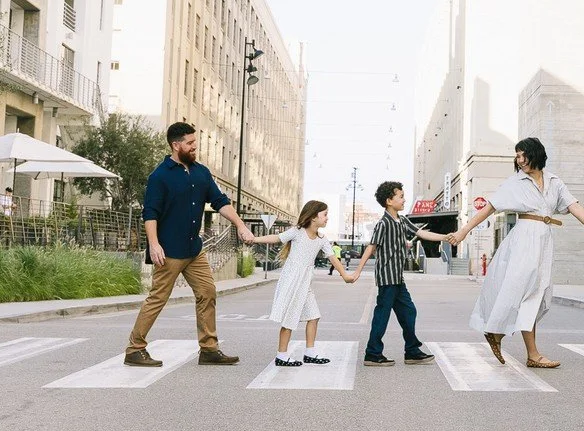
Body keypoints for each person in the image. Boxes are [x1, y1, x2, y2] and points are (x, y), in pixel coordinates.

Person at [448, 137, 584, 369]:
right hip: (524, 239)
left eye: (523, 155)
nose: (520, 160)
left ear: (536, 154)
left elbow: (574, 206)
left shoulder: (554, 182)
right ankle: (514, 342)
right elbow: (490, 207)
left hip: (544, 240)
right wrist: (463, 231)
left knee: (537, 294)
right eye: (517, 156)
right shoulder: (516, 182)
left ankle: (508, 340)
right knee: (522, 291)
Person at [122, 121, 255, 368]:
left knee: (207, 292)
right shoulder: (160, 176)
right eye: (190, 143)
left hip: (194, 250)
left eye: (195, 142)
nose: (195, 146)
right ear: (176, 145)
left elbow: (219, 201)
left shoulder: (201, 172)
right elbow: (150, 213)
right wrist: (154, 244)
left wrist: (240, 224)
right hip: (169, 251)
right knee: (158, 298)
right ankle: (135, 349)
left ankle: (209, 349)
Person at [350, 181, 448, 367]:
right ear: (389, 201)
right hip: (387, 278)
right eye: (401, 197)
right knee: (382, 315)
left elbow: (422, 233)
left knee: (409, 312)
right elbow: (371, 247)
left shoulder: (402, 221)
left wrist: (446, 237)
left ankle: (412, 351)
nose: (404, 200)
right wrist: (357, 272)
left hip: (398, 279)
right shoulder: (383, 224)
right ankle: (373, 353)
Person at [252, 201, 357, 366]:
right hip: (292, 281)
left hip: (305, 283)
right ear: (314, 217)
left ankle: (310, 353)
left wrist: (345, 275)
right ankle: (281, 355)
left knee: (314, 316)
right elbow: (277, 238)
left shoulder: (322, 239)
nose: (327, 218)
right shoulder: (297, 232)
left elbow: (332, 258)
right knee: (290, 319)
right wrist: (254, 239)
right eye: (325, 215)